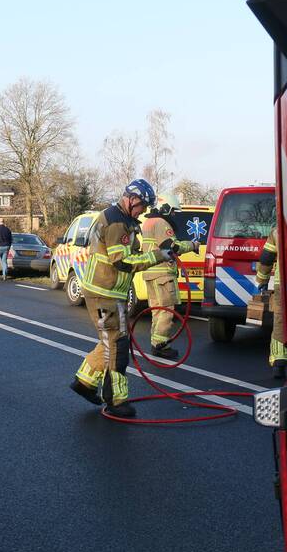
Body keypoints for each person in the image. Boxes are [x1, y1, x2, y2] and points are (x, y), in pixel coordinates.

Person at [69, 178, 183, 418]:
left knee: (111, 341)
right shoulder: (116, 223)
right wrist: (158, 257)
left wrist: (162, 252)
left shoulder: (125, 220)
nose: (143, 211)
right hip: (104, 294)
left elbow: (132, 253)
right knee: (118, 346)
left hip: (112, 293)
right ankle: (116, 401)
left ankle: (84, 381)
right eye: (142, 205)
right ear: (132, 199)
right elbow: (122, 261)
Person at [140, 193, 199, 359]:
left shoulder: (148, 222)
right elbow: (172, 247)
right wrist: (192, 245)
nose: (173, 215)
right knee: (166, 309)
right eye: (172, 211)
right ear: (164, 208)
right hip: (163, 273)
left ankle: (156, 342)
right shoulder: (160, 222)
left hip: (151, 273)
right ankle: (161, 345)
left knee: (157, 310)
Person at [256, 226, 287, 379]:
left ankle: (279, 361)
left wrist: (262, 279)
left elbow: (267, 258)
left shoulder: (277, 231)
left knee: (280, 321)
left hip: (282, 285)